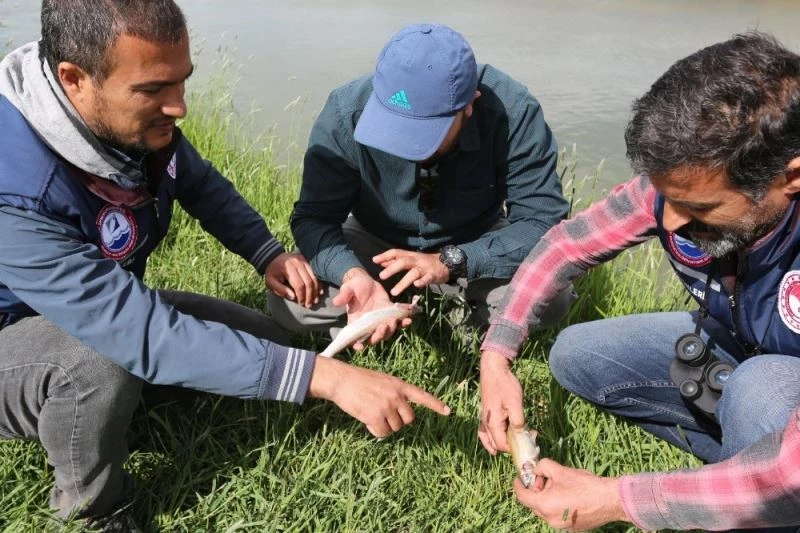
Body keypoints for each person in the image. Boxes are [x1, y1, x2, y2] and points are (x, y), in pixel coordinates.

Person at [0, 1, 450, 530]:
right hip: (21, 339)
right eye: (153, 91)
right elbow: (130, 326)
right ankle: (91, 510)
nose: (179, 108)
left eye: (182, 83)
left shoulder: (120, 119)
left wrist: (266, 253)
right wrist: (330, 379)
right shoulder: (15, 190)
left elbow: (195, 182)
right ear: (74, 79)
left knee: (272, 344)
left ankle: (124, 398)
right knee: (98, 359)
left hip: (101, 309)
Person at [479, 32, 800, 531]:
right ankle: (737, 473)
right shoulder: (678, 186)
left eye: (698, 208)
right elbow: (566, 246)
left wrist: (620, 499)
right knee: (577, 354)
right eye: (666, 197)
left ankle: (756, 493)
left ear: (791, 177)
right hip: (741, 345)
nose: (668, 222)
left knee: (761, 392)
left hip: (777, 383)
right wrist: (495, 356)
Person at [267, 23, 575, 352]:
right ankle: (379, 308)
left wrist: (455, 261)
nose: (404, 144)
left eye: (424, 132)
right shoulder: (346, 111)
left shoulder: (515, 112)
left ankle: (455, 318)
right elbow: (314, 217)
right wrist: (350, 273)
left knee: (551, 297)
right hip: (377, 238)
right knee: (289, 302)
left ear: (470, 104)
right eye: (393, 127)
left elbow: (543, 223)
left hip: (473, 238)